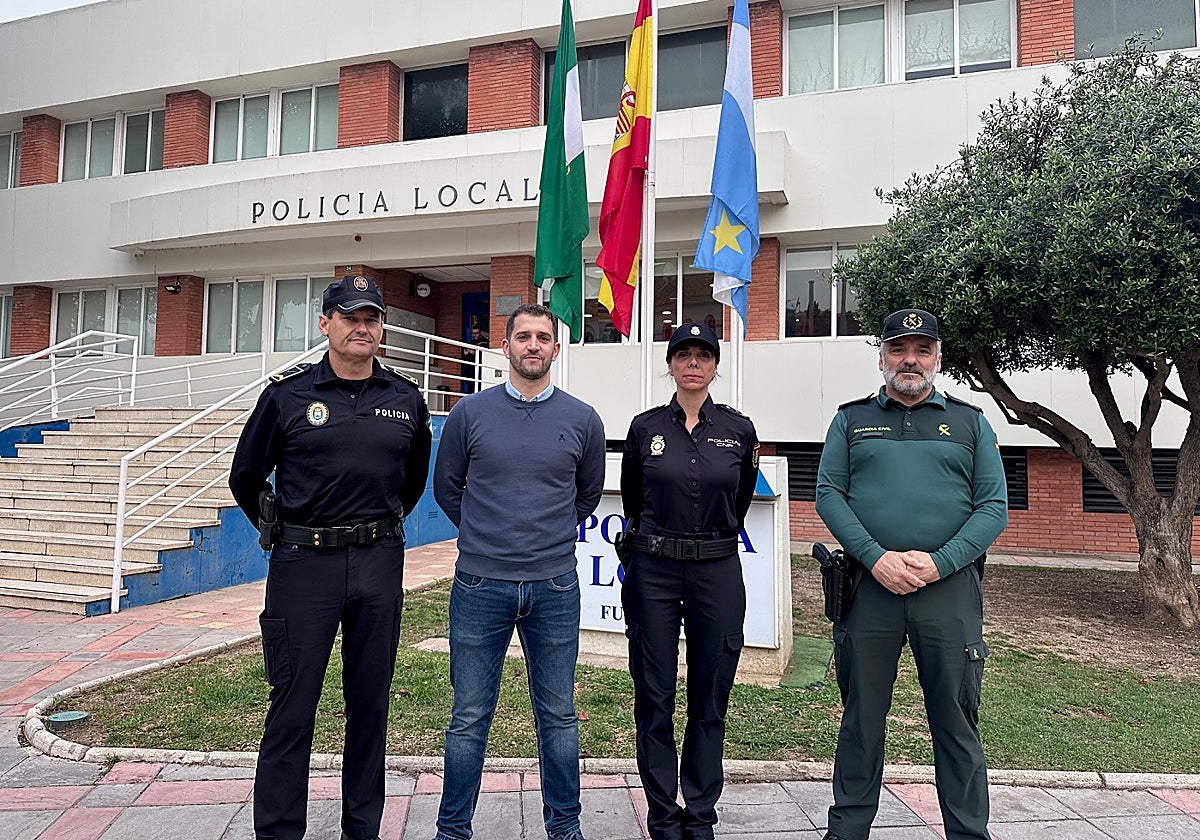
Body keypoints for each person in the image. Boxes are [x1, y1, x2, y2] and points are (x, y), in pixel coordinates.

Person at [229, 274, 432, 840]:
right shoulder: (286, 396)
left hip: (378, 563)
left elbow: (410, 482)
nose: (362, 328)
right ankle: (277, 832)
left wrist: (375, 526)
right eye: (350, 318)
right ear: (326, 324)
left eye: (371, 319)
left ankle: (361, 829)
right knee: (293, 708)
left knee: (370, 707)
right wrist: (284, 527)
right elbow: (245, 478)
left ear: (382, 328)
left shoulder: (405, 397)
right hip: (303, 567)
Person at [815, 308, 1008, 840]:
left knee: (955, 722)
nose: (910, 360)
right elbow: (828, 494)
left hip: (947, 594)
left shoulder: (970, 423)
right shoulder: (851, 420)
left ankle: (969, 833)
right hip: (868, 590)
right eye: (899, 349)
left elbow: (993, 507)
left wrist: (940, 561)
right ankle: (847, 831)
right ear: (882, 357)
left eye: (922, 350)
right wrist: (876, 557)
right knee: (861, 722)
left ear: (938, 359)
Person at [431, 303, 606, 840]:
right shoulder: (468, 414)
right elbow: (447, 488)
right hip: (480, 584)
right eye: (523, 337)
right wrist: (489, 536)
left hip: (554, 585)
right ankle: (452, 829)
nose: (533, 346)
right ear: (504, 347)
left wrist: (539, 537)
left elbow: (587, 496)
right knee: (468, 717)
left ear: (556, 348)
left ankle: (565, 828)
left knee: (558, 716)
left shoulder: (583, 419)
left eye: (543, 338)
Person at [619, 323, 759, 840]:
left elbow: (739, 499)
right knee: (653, 695)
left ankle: (699, 814)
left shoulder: (739, 431)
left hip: (717, 570)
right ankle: (662, 815)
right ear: (671, 365)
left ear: (715, 366)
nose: (693, 364)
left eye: (703, 355)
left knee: (710, 695)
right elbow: (634, 499)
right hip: (653, 569)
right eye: (684, 355)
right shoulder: (644, 427)